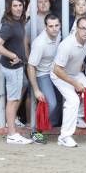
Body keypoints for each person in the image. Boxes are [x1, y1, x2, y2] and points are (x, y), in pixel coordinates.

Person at [0, 0, 32, 145]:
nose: (18, 8)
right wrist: (12, 55)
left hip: (18, 66)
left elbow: (27, 12)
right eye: (15, 6)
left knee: (24, 84)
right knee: (13, 99)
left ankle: (12, 120)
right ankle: (12, 133)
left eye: (20, 5)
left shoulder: (19, 20)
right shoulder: (9, 25)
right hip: (12, 67)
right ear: (10, 7)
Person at [51, 16, 86, 148]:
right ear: (76, 28)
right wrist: (75, 84)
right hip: (59, 75)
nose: (85, 31)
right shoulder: (67, 45)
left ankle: (77, 117)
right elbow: (57, 69)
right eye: (82, 28)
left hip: (75, 73)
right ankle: (64, 137)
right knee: (73, 101)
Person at [28, 13, 62, 143]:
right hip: (42, 74)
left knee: (62, 101)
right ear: (45, 27)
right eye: (51, 26)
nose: (54, 28)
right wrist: (36, 90)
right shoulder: (39, 43)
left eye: (56, 25)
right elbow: (31, 66)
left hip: (56, 72)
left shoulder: (59, 35)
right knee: (51, 104)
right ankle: (36, 131)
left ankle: (50, 126)